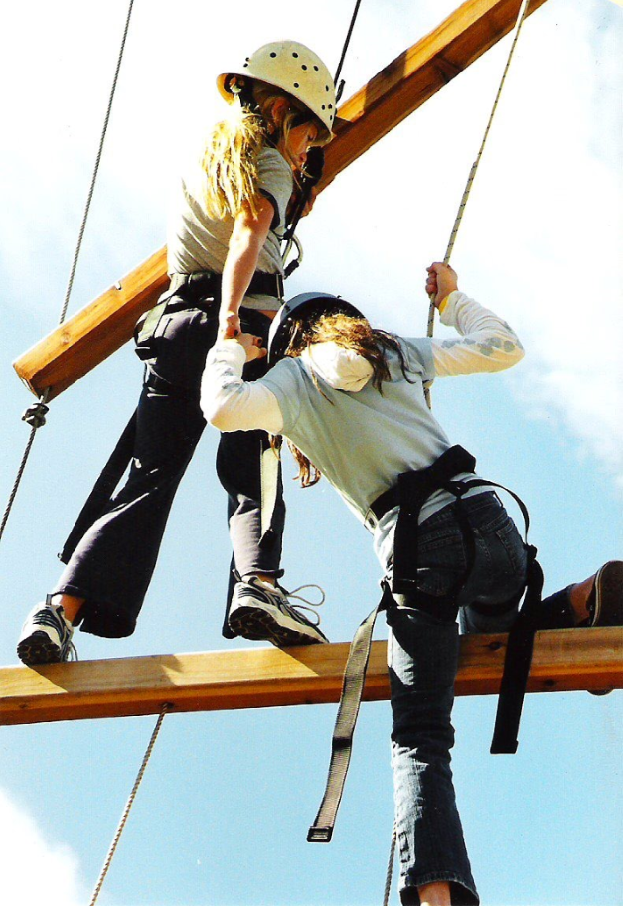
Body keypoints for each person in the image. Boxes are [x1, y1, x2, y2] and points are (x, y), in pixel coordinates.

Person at [201, 261, 622, 906]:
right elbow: (503, 347)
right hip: (492, 522)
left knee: (420, 732)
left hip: (420, 547)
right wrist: (453, 299)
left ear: (289, 340)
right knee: (492, 630)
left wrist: (230, 345)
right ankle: (583, 599)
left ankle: (436, 898)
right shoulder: (390, 351)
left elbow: (224, 409)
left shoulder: (290, 378)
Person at [17, 40, 339, 667]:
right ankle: (259, 586)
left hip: (174, 327)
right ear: (280, 111)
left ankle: (61, 611)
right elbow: (250, 229)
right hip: (239, 327)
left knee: (148, 477)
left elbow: (237, 227)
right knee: (254, 467)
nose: (307, 151)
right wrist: (232, 328)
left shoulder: (208, 161)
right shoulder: (267, 161)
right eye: (308, 134)